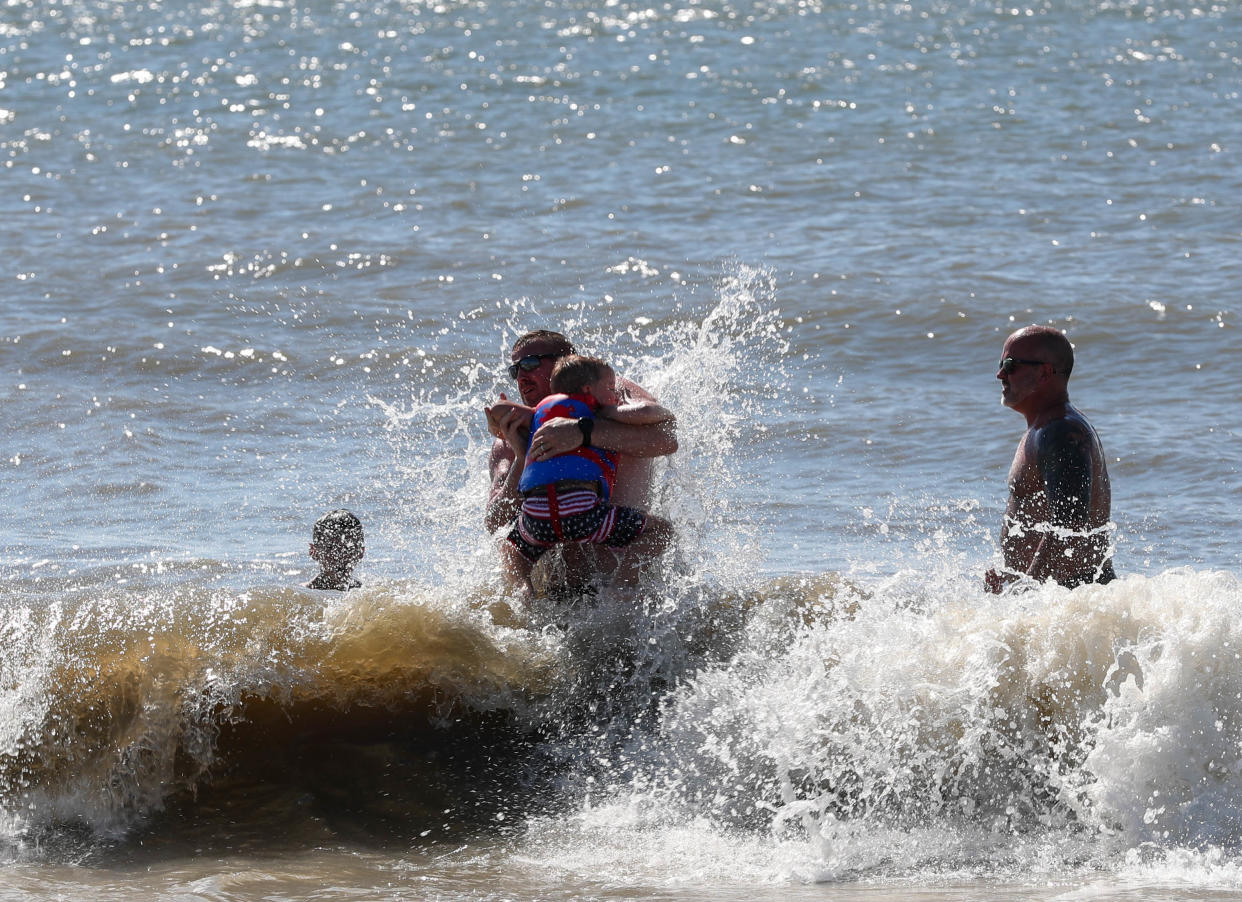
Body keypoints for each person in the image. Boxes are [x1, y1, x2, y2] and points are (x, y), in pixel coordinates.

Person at [483, 330, 677, 589]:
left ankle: (623, 597)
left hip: (617, 576)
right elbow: (494, 522)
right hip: (556, 593)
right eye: (515, 369)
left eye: (530, 364)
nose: (520, 376)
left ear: (567, 361)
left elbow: (666, 439)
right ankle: (523, 607)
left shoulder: (610, 392)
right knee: (509, 551)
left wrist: (584, 432)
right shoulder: (510, 436)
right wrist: (522, 457)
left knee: (659, 533)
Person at [985, 325, 1115, 593]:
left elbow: (1070, 524)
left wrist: (1024, 592)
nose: (1000, 374)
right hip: (1060, 596)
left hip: (1073, 596)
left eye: (1010, 365)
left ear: (1044, 372)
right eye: (1001, 364)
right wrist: (1009, 574)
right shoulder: (1045, 428)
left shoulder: (1060, 431)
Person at [307, 509, 365, 591]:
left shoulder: (370, 596)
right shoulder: (300, 596)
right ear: (314, 552)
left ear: (360, 552)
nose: (339, 556)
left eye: (348, 548)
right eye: (330, 547)